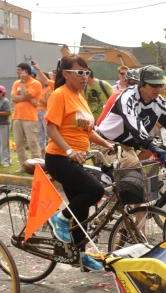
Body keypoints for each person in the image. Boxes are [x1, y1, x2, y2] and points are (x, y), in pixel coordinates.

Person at [44, 55, 118, 272]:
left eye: (87, 72)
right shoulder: (60, 95)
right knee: (95, 190)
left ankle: (81, 255)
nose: (85, 77)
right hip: (59, 158)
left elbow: (87, 131)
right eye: (80, 72)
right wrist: (69, 150)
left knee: (82, 209)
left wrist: (106, 144)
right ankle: (60, 219)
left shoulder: (79, 96)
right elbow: (51, 128)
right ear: (65, 74)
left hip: (76, 158)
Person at [96, 66, 166, 170]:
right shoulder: (128, 97)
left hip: (127, 145)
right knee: (133, 172)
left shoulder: (158, 101)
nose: (157, 89)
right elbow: (134, 123)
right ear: (142, 83)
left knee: (141, 176)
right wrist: (151, 145)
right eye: (153, 85)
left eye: (160, 85)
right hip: (106, 142)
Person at [11, 62, 42, 171]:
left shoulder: (36, 83)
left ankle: (37, 166)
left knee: (32, 142)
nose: (17, 72)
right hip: (17, 117)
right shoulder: (16, 83)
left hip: (29, 118)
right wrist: (29, 99)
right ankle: (23, 166)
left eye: (19, 70)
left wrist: (23, 82)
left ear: (25, 71)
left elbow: (25, 94)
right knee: (19, 143)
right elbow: (13, 98)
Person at [33, 61, 54, 157]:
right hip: (37, 112)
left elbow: (48, 103)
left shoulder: (49, 89)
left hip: (45, 112)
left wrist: (38, 99)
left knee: (47, 134)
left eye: (40, 78)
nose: (38, 79)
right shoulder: (39, 89)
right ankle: (42, 154)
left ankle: (48, 153)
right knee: (39, 134)